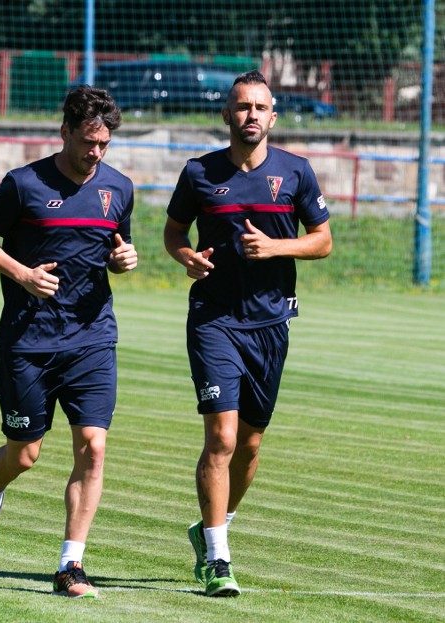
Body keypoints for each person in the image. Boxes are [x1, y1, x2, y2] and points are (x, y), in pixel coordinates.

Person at [0, 85, 138, 599]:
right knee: (24, 453)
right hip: (28, 339)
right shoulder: (23, 184)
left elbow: (116, 246)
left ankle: (70, 565)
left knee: (93, 446)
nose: (96, 153)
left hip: (92, 337)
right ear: (64, 131)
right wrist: (21, 274)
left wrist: (122, 261)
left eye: (104, 144)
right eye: (88, 141)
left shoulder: (119, 188)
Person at [164, 70, 332, 597]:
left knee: (251, 445)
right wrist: (184, 255)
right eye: (242, 107)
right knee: (223, 438)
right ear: (227, 115)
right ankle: (218, 559)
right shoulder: (198, 173)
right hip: (214, 320)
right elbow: (173, 231)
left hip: (271, 323)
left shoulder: (297, 173)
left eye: (260, 107)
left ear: (273, 116)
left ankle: (213, 526)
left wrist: (278, 248)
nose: (251, 115)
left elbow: (323, 240)